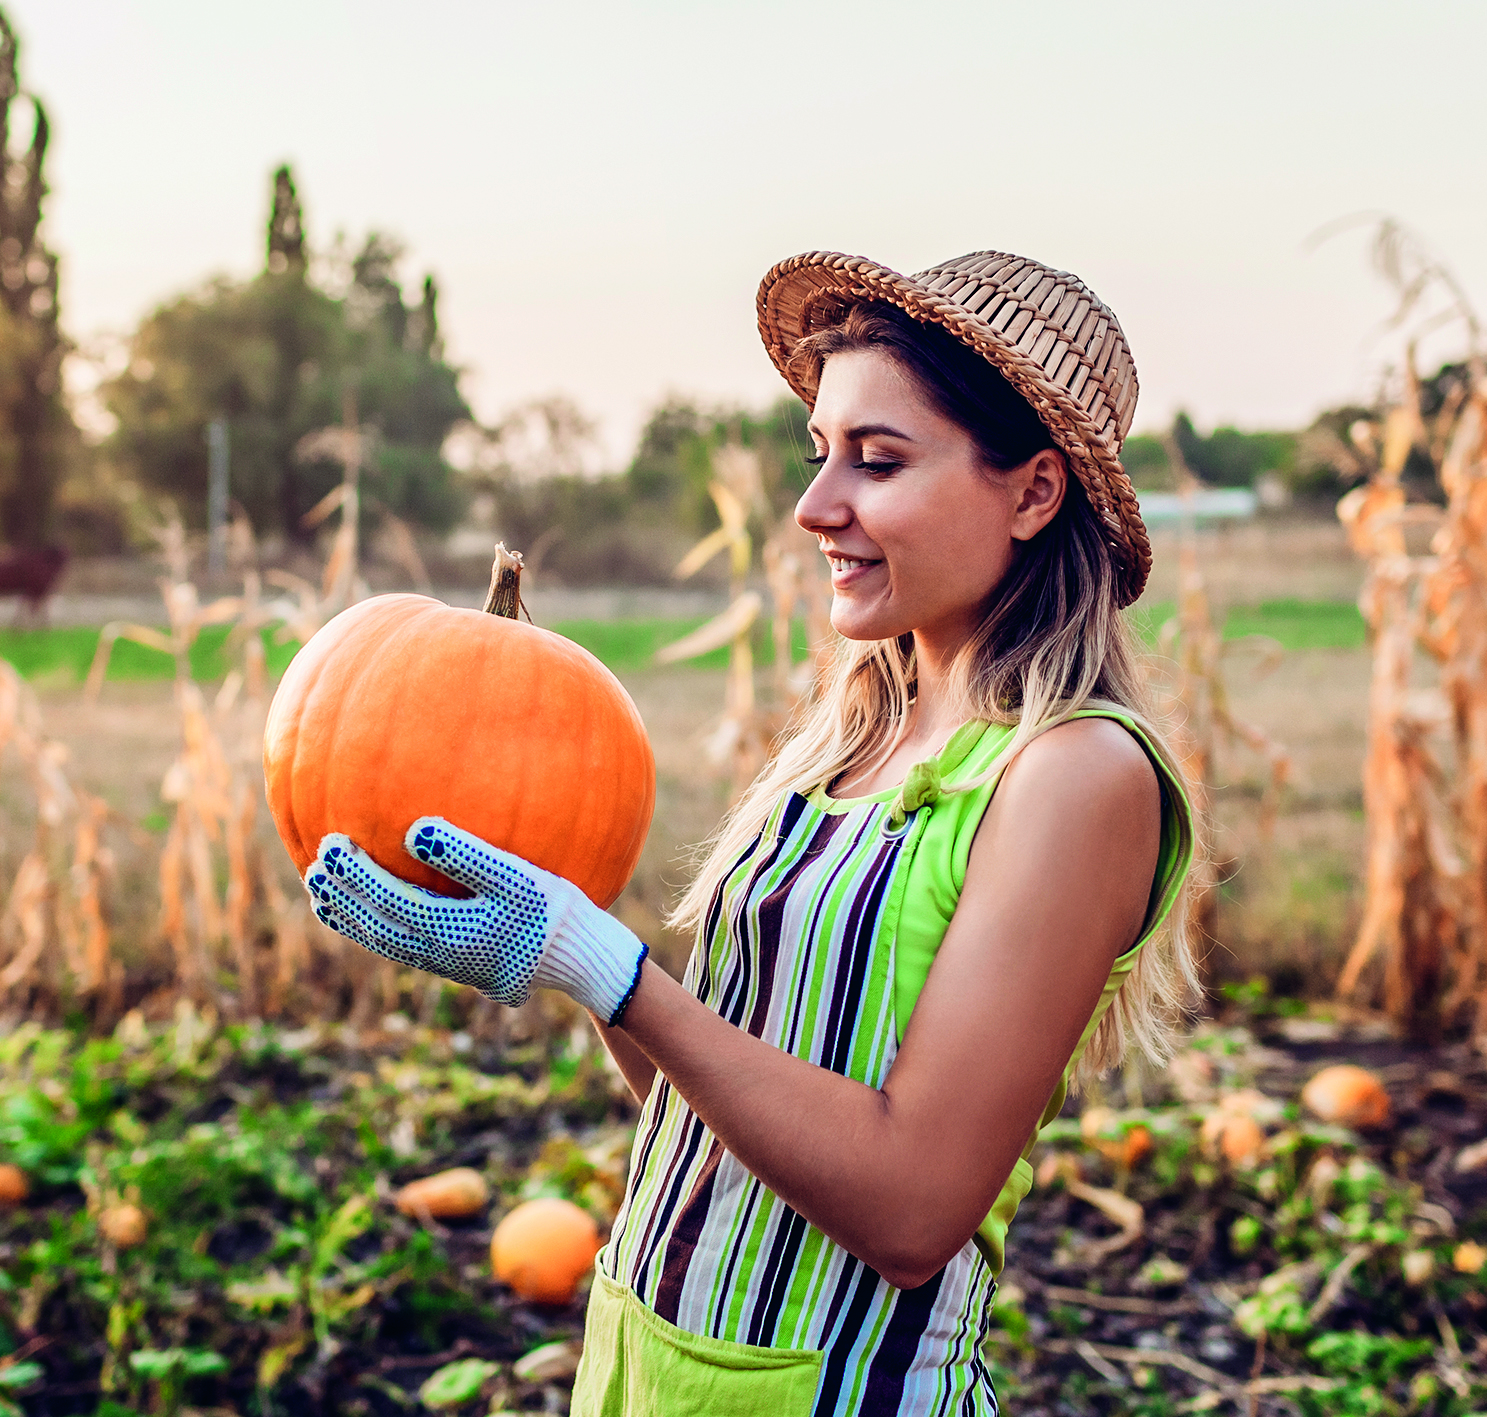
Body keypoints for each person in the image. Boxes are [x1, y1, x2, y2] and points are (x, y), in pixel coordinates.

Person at [301, 249, 1203, 1416]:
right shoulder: (841, 744)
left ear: (1032, 493)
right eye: (818, 451)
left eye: (876, 461)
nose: (815, 504)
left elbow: (912, 1210)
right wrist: (562, 954)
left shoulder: (1073, 776)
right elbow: (716, 1108)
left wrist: (607, 968)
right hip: (646, 1370)